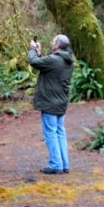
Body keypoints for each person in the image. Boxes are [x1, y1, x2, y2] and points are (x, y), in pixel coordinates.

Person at [27, 34, 74, 174]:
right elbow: (45, 64)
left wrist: (33, 50)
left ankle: (55, 164)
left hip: (50, 103)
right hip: (61, 103)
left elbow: (34, 62)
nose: (51, 43)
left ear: (57, 45)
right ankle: (63, 164)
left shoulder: (54, 60)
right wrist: (40, 53)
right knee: (60, 132)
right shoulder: (67, 60)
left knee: (51, 133)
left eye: (53, 41)